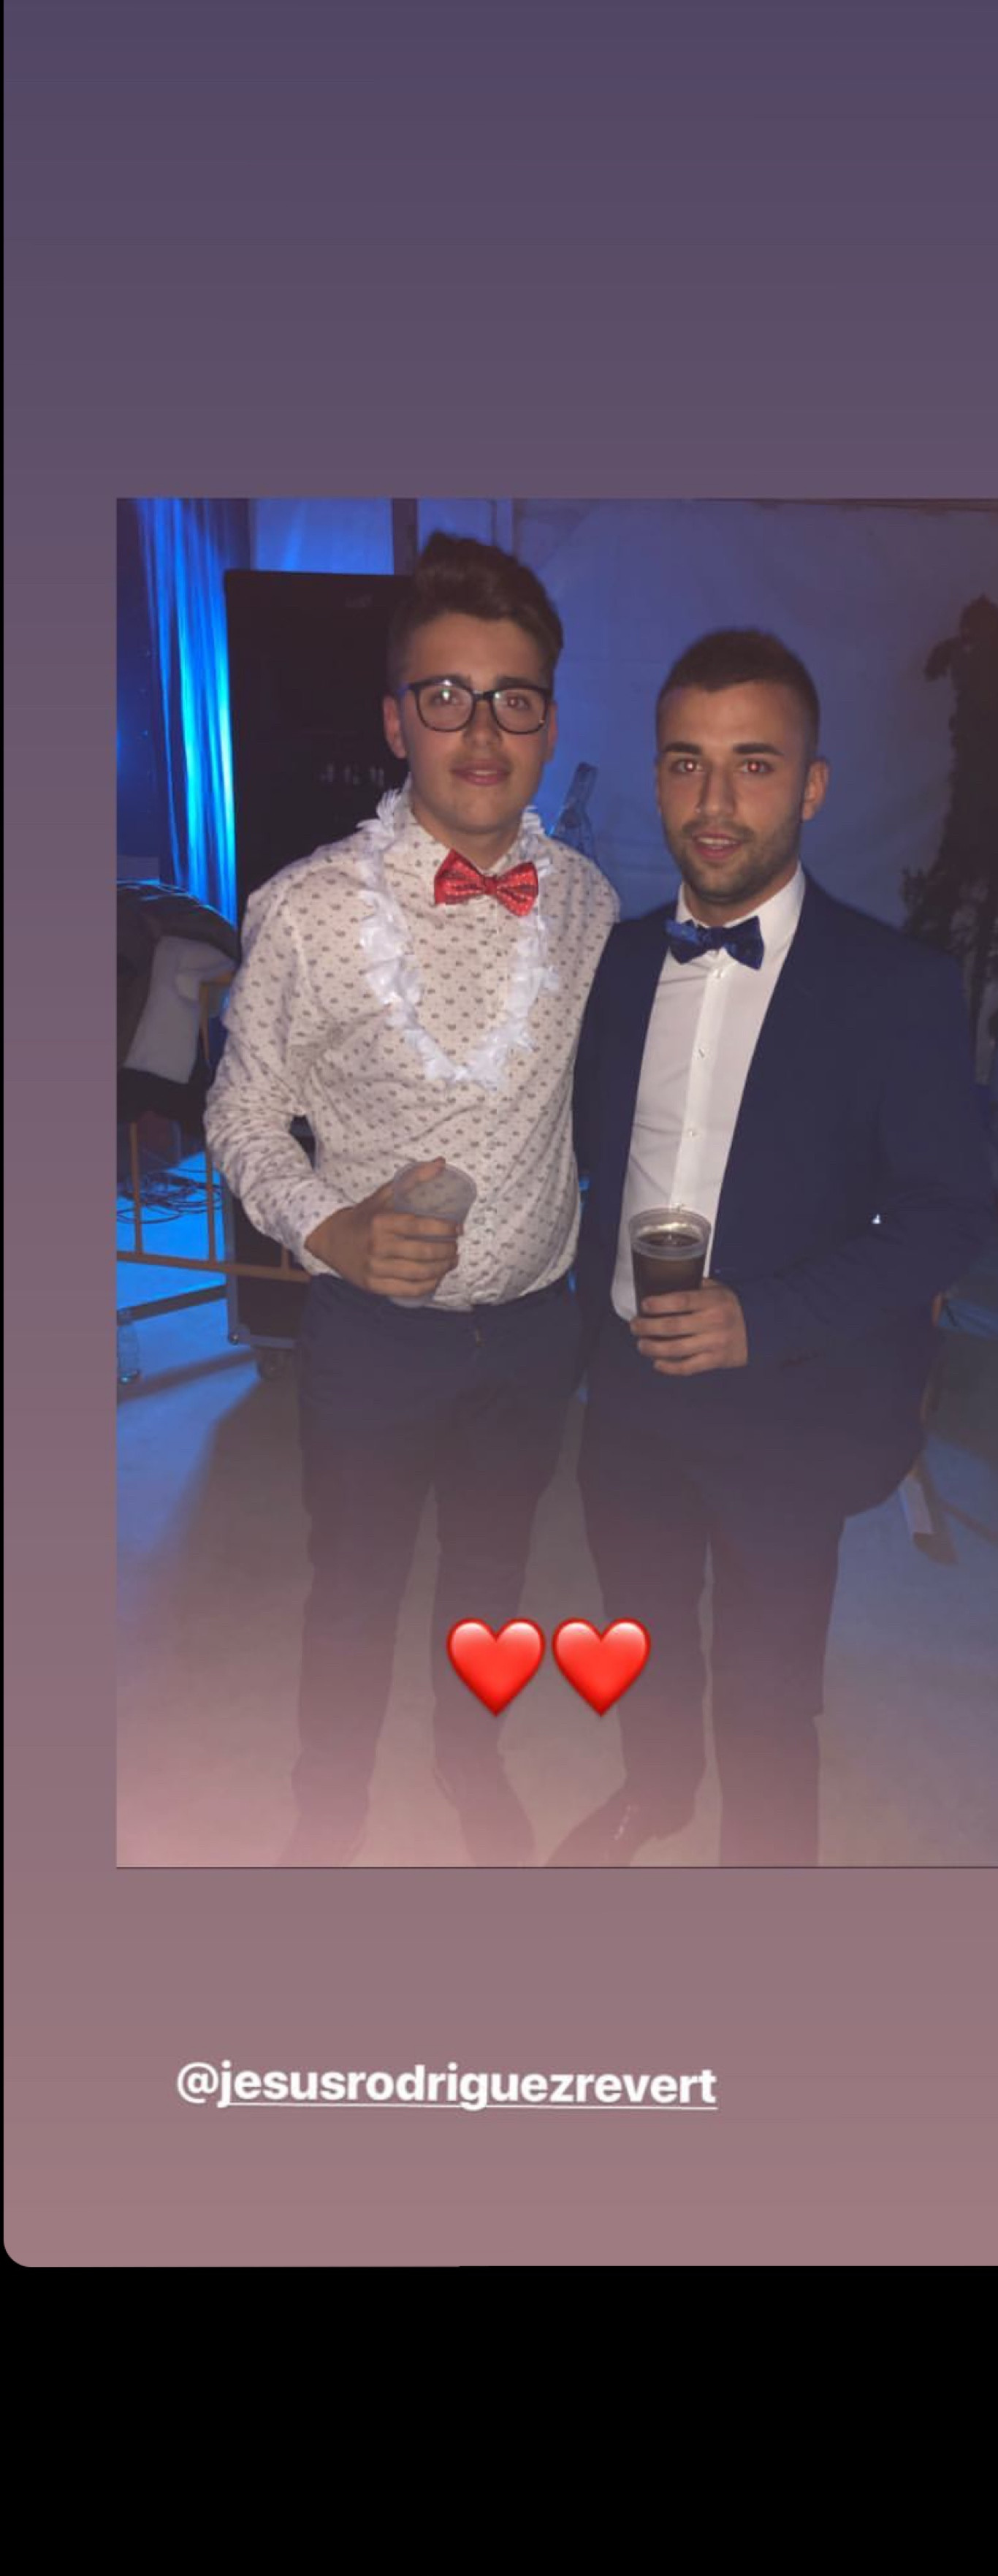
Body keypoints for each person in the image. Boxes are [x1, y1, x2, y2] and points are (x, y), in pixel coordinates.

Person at [205, 531, 617, 1864]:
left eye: (513, 698)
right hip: (374, 1339)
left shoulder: (589, 903)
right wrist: (328, 1226)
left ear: (549, 722)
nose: (481, 730)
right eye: (446, 694)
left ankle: (465, 1756)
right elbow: (239, 1113)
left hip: (536, 1327)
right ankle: (326, 1804)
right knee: (354, 1584)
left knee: (491, 1579)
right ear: (396, 721)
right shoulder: (306, 912)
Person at [552, 629, 997, 1869]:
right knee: (638, 1623)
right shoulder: (621, 963)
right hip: (629, 1383)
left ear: (811, 785)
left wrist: (768, 1315)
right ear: (656, 776)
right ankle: (656, 1792)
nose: (714, 799)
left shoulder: (897, 987)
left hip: (789, 1398)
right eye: (685, 762)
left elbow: (951, 1215)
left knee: (767, 1677)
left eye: (754, 764)